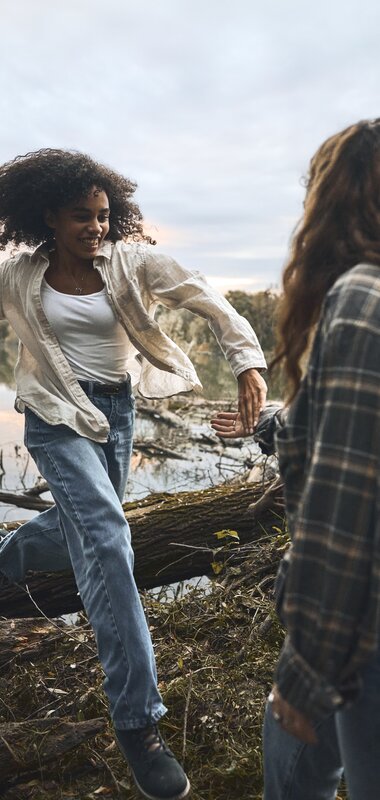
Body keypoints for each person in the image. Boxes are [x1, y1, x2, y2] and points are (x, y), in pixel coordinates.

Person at [0, 148, 267, 800]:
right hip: (54, 417)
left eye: (102, 215)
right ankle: (138, 722)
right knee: (108, 537)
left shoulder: (132, 263)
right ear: (48, 217)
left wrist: (247, 362)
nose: (95, 227)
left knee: (80, 529)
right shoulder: (18, 275)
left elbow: (207, 298)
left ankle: (5, 562)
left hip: (116, 414)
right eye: (80, 216)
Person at [213, 119, 380, 799]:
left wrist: (306, 673)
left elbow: (345, 518)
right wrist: (271, 424)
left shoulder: (363, 299)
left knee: (294, 755)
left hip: (361, 634)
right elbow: (355, 432)